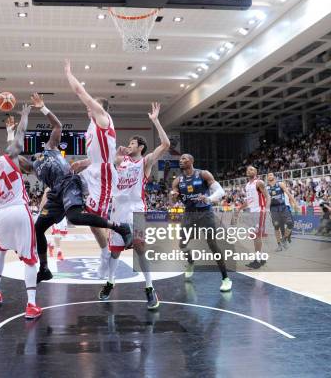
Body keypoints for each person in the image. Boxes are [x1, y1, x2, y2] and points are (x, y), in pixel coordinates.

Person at [16, 93, 132, 283]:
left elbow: (57, 126)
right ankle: (44, 268)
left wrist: (43, 107)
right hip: (56, 194)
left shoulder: (50, 148)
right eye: (19, 161)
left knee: (75, 218)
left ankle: (119, 227)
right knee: (38, 228)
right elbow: (13, 153)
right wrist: (12, 134)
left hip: (70, 182)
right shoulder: (33, 168)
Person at [96, 102, 170, 308]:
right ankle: (110, 283)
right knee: (115, 252)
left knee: (139, 248)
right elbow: (102, 164)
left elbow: (165, 145)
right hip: (117, 212)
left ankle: (149, 288)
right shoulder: (120, 162)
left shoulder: (144, 162)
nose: (128, 145)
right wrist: (115, 156)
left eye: (132, 143)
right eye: (128, 143)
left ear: (141, 147)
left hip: (135, 210)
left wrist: (155, 121)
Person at [0, 104, 42, 319]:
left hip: (0, 213)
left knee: (1, 249)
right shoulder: (8, 157)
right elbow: (20, 135)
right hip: (19, 210)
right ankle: (31, 305)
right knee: (31, 259)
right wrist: (24, 115)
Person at [65, 59, 118, 278]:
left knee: (94, 217)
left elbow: (80, 91)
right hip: (93, 169)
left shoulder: (103, 118)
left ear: (101, 109)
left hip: (104, 174)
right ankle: (66, 216)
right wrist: (82, 163)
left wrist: (68, 73)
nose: (89, 106)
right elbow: (97, 155)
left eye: (93, 104)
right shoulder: (91, 126)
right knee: (62, 186)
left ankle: (106, 252)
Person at [171, 154, 232, 292]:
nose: (181, 161)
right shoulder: (177, 181)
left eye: (184, 158)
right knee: (182, 244)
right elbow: (174, 200)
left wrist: (208, 199)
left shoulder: (203, 174)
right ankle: (191, 262)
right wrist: (173, 197)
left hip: (205, 213)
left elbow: (220, 191)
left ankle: (226, 279)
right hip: (189, 214)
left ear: (192, 161)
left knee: (213, 245)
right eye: (180, 159)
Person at [237, 166, 270, 269]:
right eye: (247, 170)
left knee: (256, 236)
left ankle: (257, 260)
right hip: (252, 212)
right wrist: (239, 208)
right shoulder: (247, 185)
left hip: (260, 211)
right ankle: (261, 258)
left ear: (256, 172)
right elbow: (248, 201)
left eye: (251, 169)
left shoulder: (259, 182)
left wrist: (267, 209)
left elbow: (268, 196)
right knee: (254, 236)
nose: (248, 171)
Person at [266, 173, 298, 251]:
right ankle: (279, 245)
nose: (270, 176)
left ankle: (284, 239)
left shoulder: (280, 184)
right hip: (273, 209)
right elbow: (265, 200)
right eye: (268, 175)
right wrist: (265, 210)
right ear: (267, 178)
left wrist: (295, 204)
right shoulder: (266, 188)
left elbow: (289, 194)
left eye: (271, 175)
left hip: (283, 207)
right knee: (276, 227)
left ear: (274, 176)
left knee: (290, 223)